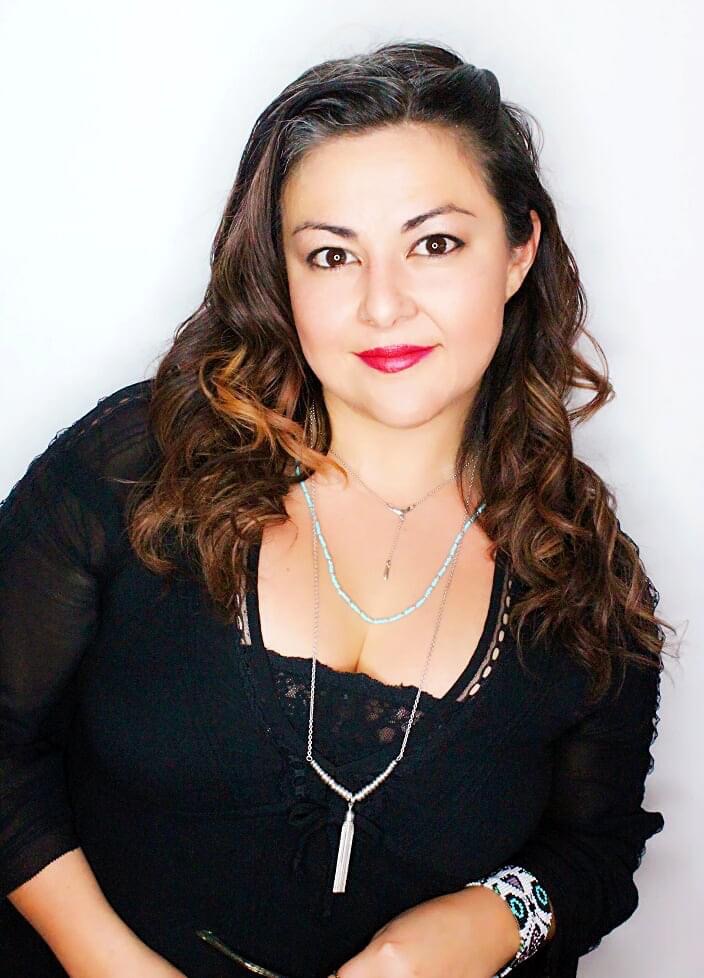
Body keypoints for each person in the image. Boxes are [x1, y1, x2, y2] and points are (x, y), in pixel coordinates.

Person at [0, 40, 674, 978]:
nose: (383, 306)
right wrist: (109, 963)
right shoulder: (138, 468)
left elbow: (594, 853)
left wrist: (465, 931)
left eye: (434, 244)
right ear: (282, 277)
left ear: (518, 251)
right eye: (331, 255)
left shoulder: (581, 571)